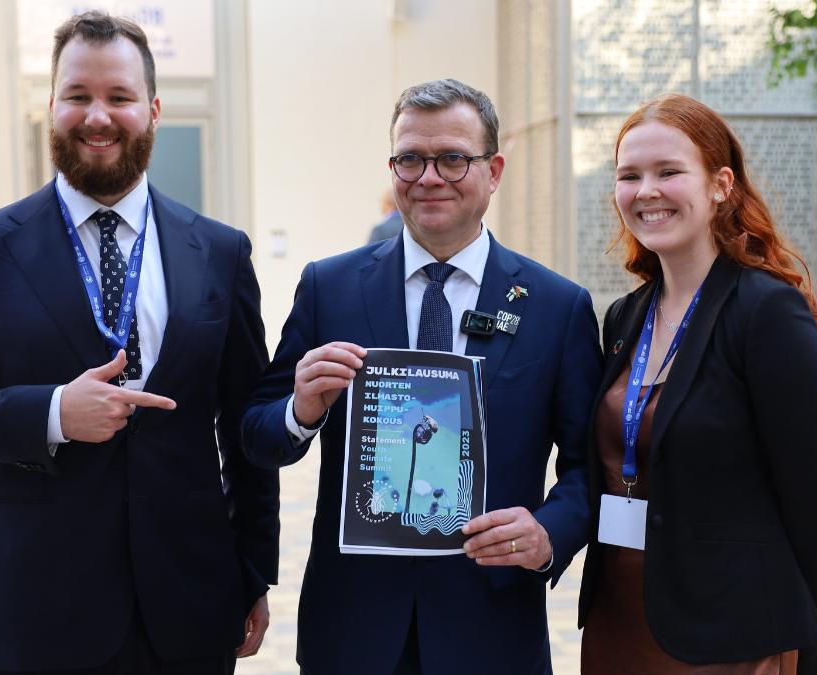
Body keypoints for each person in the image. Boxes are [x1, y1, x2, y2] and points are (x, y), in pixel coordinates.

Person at [0, 11, 277, 674]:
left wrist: (254, 568)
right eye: (78, 96)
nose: (98, 116)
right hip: (36, 615)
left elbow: (245, 433)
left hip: (187, 612)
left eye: (119, 97)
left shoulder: (221, 253)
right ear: (52, 105)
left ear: (151, 110)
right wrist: (53, 412)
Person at [241, 78, 602, 674]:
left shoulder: (556, 306)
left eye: (454, 158)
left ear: (494, 170)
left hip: (491, 628)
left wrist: (547, 532)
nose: (430, 176)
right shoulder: (328, 288)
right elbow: (256, 433)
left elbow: (592, 464)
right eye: (410, 158)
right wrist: (299, 411)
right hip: (353, 627)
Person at [577, 94, 817, 674]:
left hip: (731, 637)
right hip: (618, 622)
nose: (645, 190)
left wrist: (800, 640)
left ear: (721, 184)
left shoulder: (766, 312)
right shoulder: (626, 317)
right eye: (629, 175)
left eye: (668, 172)